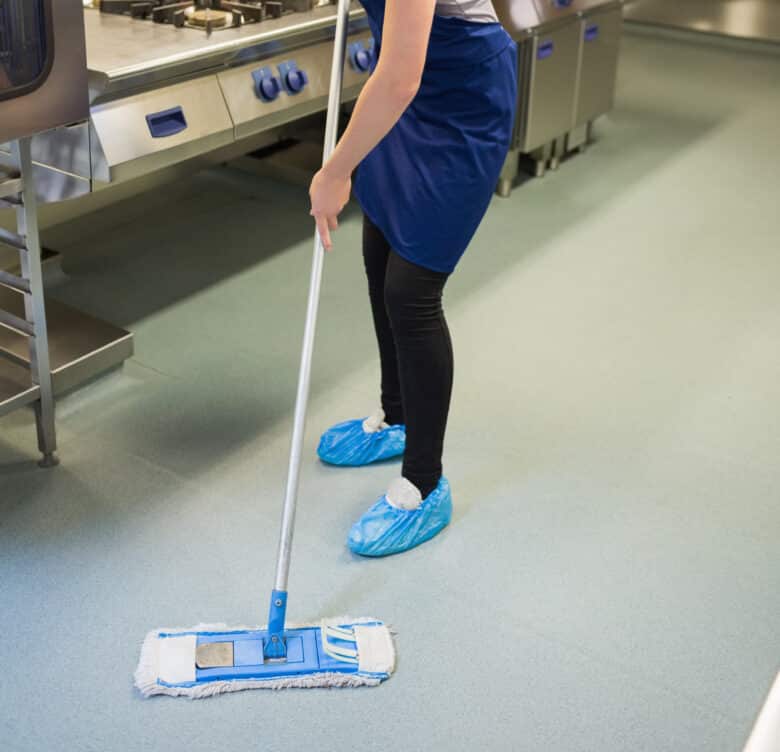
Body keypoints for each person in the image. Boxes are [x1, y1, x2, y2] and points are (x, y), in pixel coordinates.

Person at [308, 0, 517, 557]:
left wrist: (335, 170)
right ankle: (396, 413)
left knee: (412, 290)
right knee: (379, 243)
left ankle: (424, 481)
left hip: (461, 97)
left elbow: (400, 79)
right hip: (406, 90)